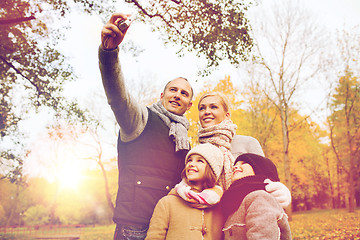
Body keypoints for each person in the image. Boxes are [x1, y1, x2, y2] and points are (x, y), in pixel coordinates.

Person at [99, 13, 194, 239]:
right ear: (162, 95)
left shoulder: (185, 139)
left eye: (184, 93)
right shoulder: (140, 119)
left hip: (169, 228)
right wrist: (109, 54)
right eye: (173, 90)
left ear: (189, 105)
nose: (177, 95)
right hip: (135, 228)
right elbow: (117, 96)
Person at [197, 91, 291, 208]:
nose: (206, 112)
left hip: (244, 213)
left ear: (227, 115)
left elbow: (267, 177)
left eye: (213, 107)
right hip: (209, 216)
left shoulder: (247, 143)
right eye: (202, 108)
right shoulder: (197, 151)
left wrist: (280, 192)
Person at [146, 143, 225, 240]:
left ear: (212, 169)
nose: (191, 164)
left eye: (200, 161)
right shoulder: (167, 203)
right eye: (189, 160)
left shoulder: (221, 206)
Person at [220, 153, 292, 239]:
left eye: (243, 163)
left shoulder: (260, 197)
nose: (235, 167)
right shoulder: (235, 202)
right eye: (235, 165)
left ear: (260, 169)